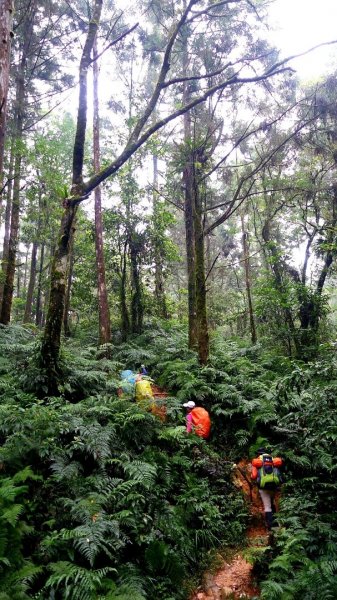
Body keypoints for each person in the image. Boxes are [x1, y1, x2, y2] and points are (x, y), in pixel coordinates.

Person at [251, 447, 283, 530]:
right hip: (273, 486)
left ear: (259, 454)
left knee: (267, 506)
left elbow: (254, 476)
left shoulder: (258, 461)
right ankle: (276, 525)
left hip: (263, 487)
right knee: (272, 503)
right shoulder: (273, 460)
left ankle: (271, 527)